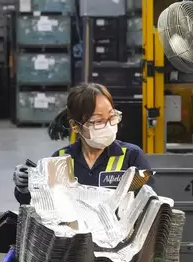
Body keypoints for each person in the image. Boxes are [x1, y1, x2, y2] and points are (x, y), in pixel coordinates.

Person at [13, 83, 152, 205]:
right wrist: (25, 187)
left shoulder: (132, 157)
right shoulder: (60, 159)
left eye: (111, 117)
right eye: (98, 121)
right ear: (75, 126)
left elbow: (149, 204)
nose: (108, 126)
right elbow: (42, 205)